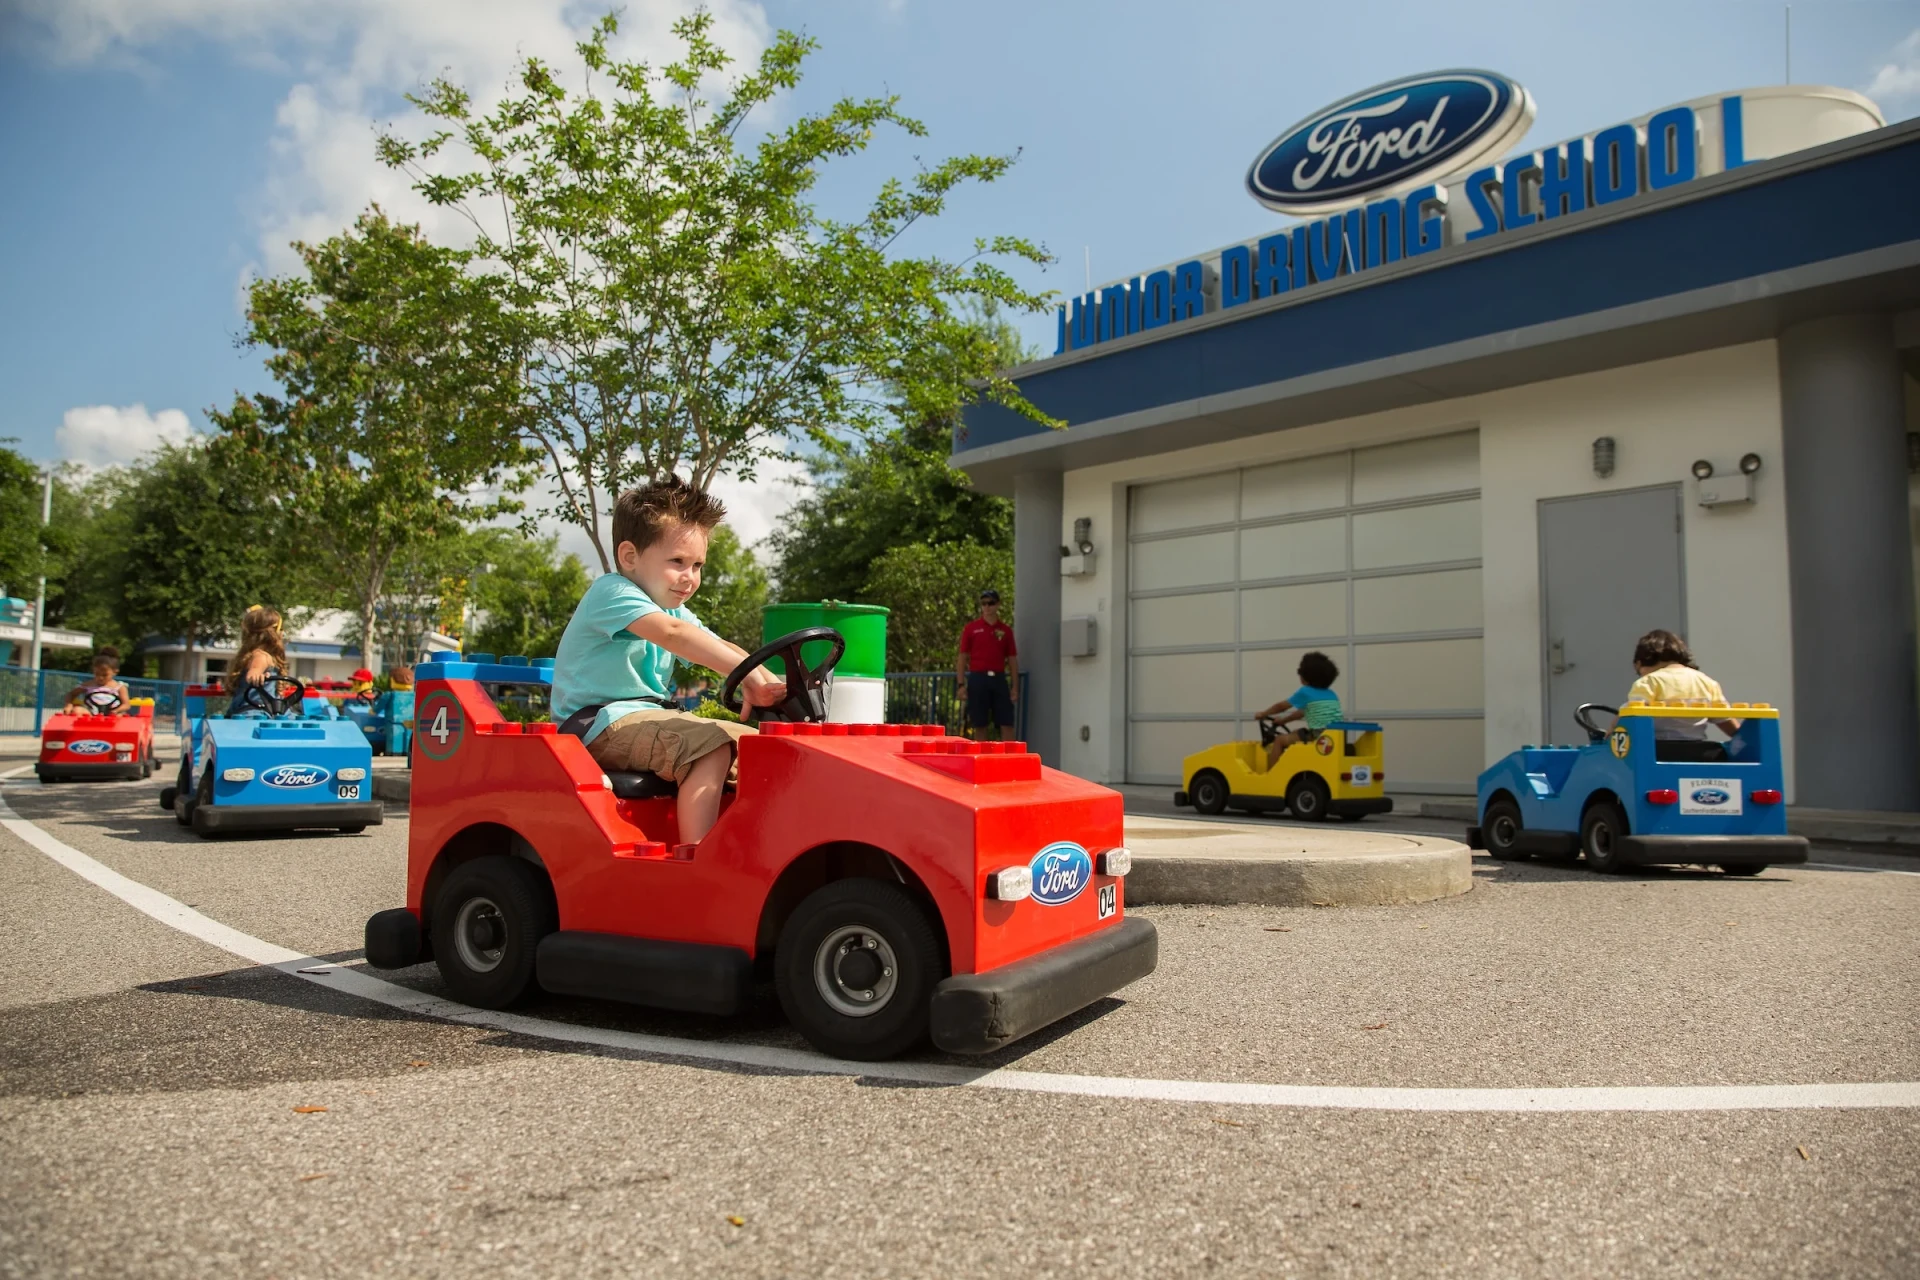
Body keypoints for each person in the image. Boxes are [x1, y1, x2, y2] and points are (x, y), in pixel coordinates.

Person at [550, 477, 785, 844]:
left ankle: (760, 845)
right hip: (597, 725)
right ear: (630, 557)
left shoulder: (669, 606)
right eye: (678, 561)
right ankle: (698, 857)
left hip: (646, 718)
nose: (690, 578)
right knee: (709, 747)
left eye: (698, 565)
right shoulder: (611, 592)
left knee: (761, 747)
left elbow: (717, 644)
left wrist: (769, 681)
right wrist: (749, 678)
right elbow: (674, 634)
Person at [1626, 629, 1741, 745]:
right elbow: (1725, 720)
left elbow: (1631, 718)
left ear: (1639, 664)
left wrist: (1615, 726)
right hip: (1698, 748)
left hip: (1659, 748)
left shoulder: (1648, 682)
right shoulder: (1706, 681)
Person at [1254, 651, 1343, 767]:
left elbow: (1281, 706)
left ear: (1306, 676)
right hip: (1336, 735)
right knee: (1295, 733)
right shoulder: (1331, 694)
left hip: (1318, 735)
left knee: (1279, 740)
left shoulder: (1306, 691)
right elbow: (1302, 712)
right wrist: (1283, 721)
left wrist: (1263, 713)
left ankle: (1271, 773)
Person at [955, 588, 1019, 741]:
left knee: (1007, 722)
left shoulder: (1005, 631)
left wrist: (1015, 687)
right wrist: (961, 684)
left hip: (999, 678)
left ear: (998, 605)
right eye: (984, 603)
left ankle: (1010, 754)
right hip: (978, 678)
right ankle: (981, 754)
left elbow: (1012, 660)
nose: (987, 607)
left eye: (990, 603)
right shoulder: (971, 629)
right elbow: (962, 657)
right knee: (980, 724)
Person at [225, 606, 287, 691]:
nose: (283, 633)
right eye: (281, 629)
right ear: (273, 634)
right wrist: (256, 676)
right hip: (256, 700)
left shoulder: (249, 655)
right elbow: (254, 671)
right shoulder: (262, 656)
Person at [66, 647, 131, 712]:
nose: (100, 677)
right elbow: (70, 694)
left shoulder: (119, 687)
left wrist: (116, 711)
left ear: (115, 672)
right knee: (77, 710)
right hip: (90, 714)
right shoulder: (88, 684)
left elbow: (126, 705)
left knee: (121, 715)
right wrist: (68, 705)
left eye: (105, 675)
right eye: (97, 674)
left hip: (112, 714)